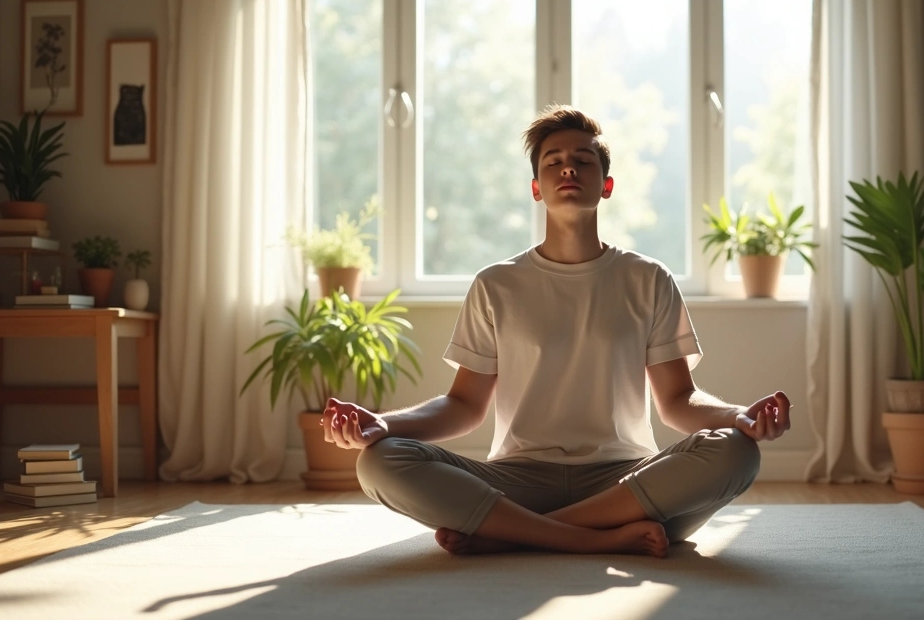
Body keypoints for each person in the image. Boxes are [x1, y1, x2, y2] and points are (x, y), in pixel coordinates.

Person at [322, 105, 792, 559]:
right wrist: (384, 425)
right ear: (536, 188)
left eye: (582, 160)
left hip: (626, 482)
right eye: (554, 162)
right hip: (516, 481)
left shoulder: (648, 279)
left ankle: (517, 535)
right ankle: (591, 537)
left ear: (606, 186)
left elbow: (676, 402)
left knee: (736, 451)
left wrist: (740, 416)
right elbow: (464, 406)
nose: (568, 169)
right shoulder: (496, 284)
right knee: (380, 461)